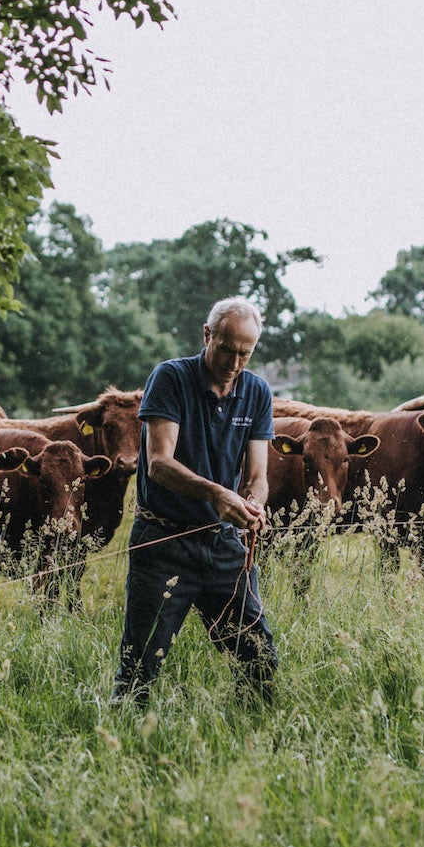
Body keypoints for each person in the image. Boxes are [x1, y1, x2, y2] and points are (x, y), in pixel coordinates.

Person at [113, 296, 278, 704]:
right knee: (138, 670)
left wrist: (253, 502)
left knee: (259, 661)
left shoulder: (257, 392)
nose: (234, 362)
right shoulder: (171, 378)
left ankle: (252, 728)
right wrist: (217, 493)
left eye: (245, 353)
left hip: (223, 545)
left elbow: (258, 476)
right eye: (226, 349)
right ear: (207, 335)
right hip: (164, 541)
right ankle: (124, 731)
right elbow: (158, 463)